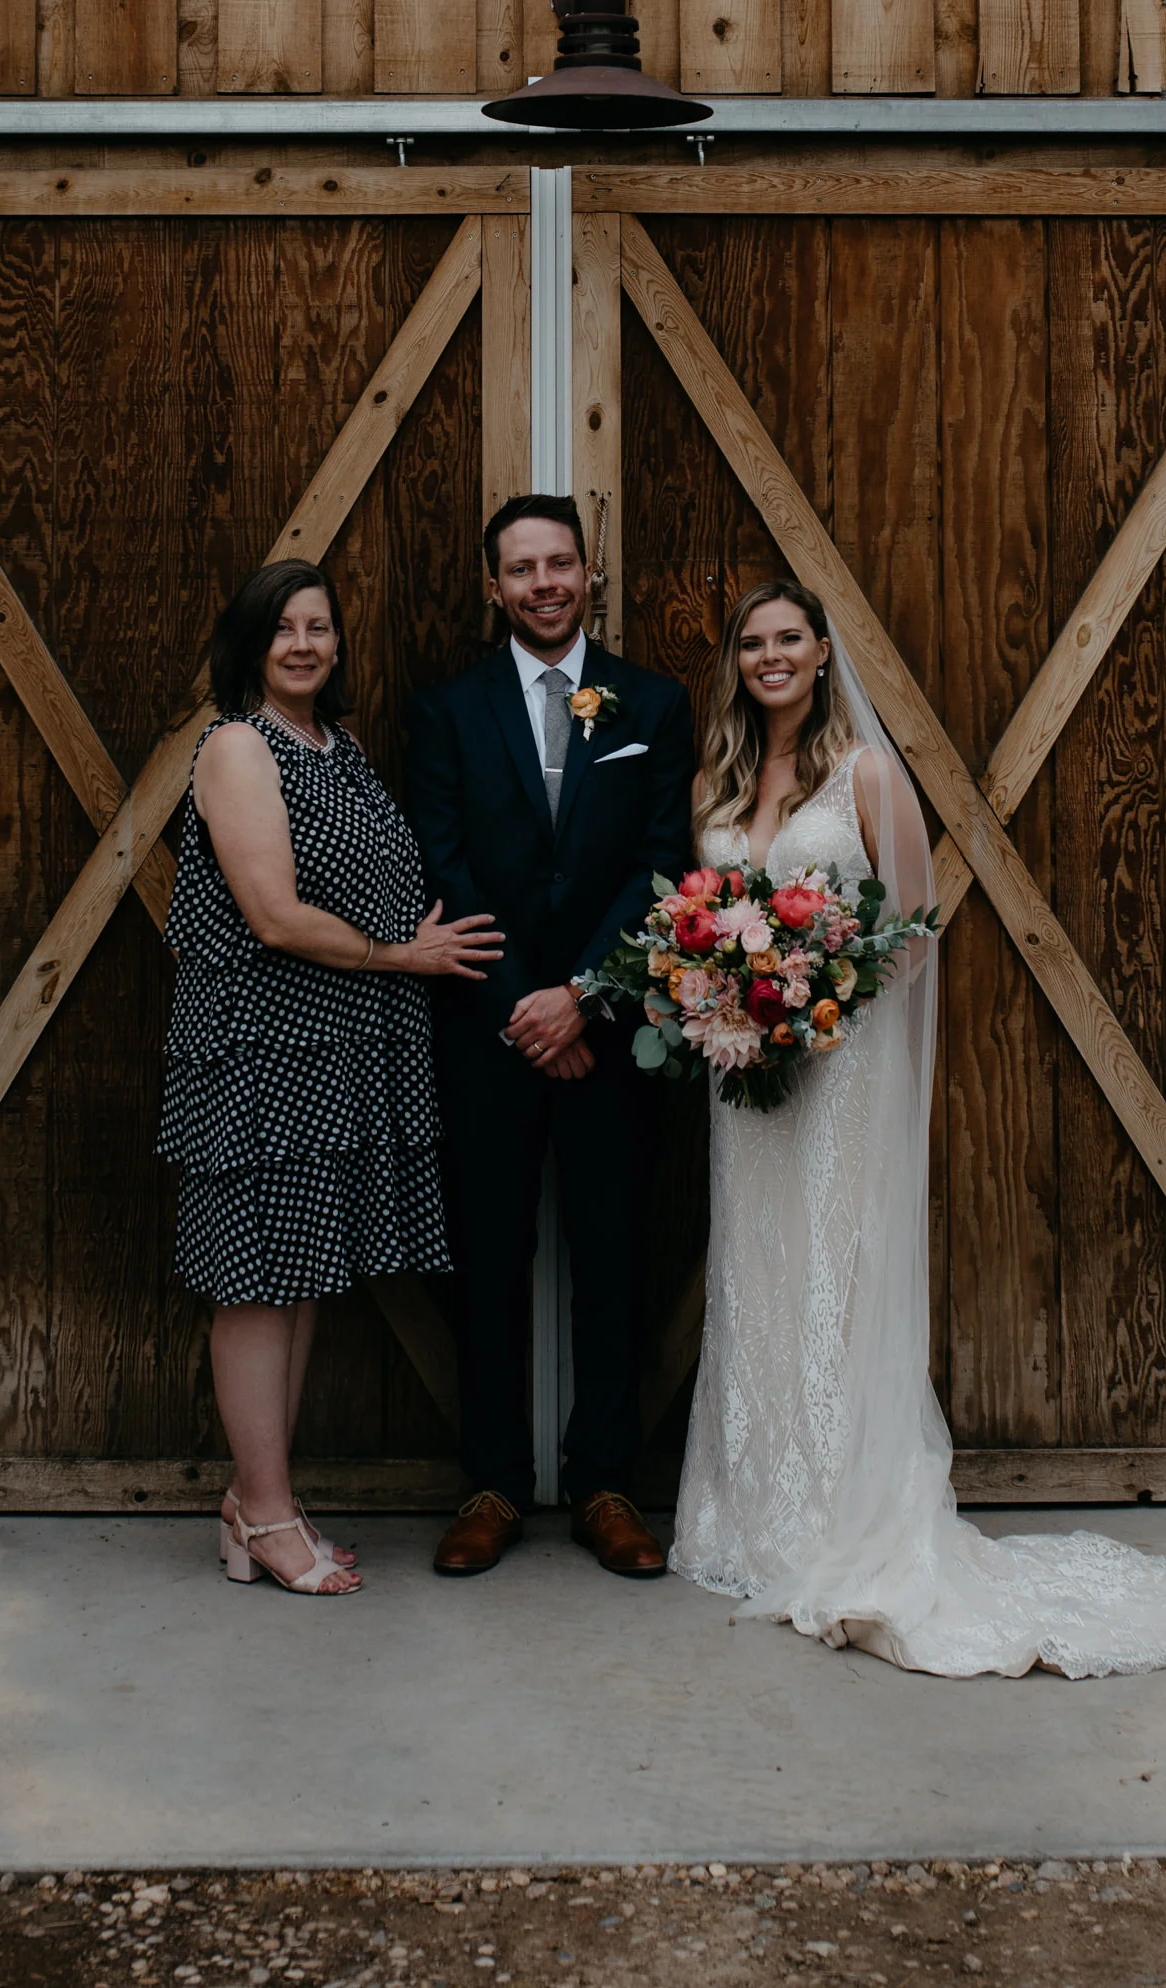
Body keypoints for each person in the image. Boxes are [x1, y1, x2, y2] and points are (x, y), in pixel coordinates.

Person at [671, 577, 1166, 1676]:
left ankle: (847, 1513)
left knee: (833, 1275)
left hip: (839, 1069)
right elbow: (702, 913)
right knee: (759, 1267)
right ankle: (753, 1514)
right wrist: (720, 995)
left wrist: (818, 999)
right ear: (736, 662)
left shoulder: (868, 776)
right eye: (752, 642)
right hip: (741, 1072)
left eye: (789, 637)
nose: (770, 656)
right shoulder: (719, 775)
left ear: (818, 651)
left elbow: (909, 929)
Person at [157, 560, 502, 1597]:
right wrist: (405, 957)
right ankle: (266, 1510)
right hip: (263, 1050)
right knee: (258, 1278)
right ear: (249, 643)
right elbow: (270, 910)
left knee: (299, 1273)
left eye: (319, 626)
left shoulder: (335, 746)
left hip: (336, 1046)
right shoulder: (236, 745)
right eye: (283, 629)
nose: (304, 644)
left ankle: (256, 1502)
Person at [404, 495, 695, 1576]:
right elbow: (445, 865)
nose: (543, 582)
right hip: (488, 1033)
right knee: (488, 1257)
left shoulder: (653, 705)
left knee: (613, 1255)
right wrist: (527, 1009)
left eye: (559, 563)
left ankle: (606, 1484)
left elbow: (659, 864)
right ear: (494, 586)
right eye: (521, 568)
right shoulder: (445, 711)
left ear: (588, 572)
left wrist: (582, 995)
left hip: (612, 1033)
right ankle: (490, 1484)